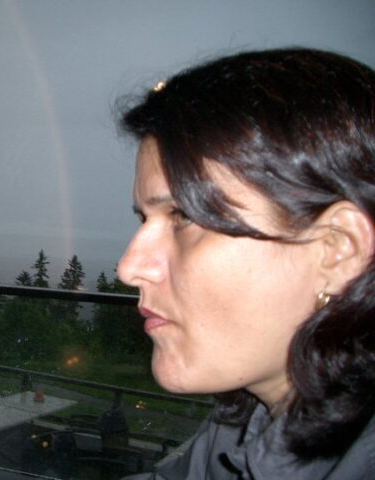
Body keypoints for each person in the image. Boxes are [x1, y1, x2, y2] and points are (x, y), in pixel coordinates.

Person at [117, 48, 375, 479]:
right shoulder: (243, 424)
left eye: (185, 216)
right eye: (145, 219)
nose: (129, 268)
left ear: (337, 250)